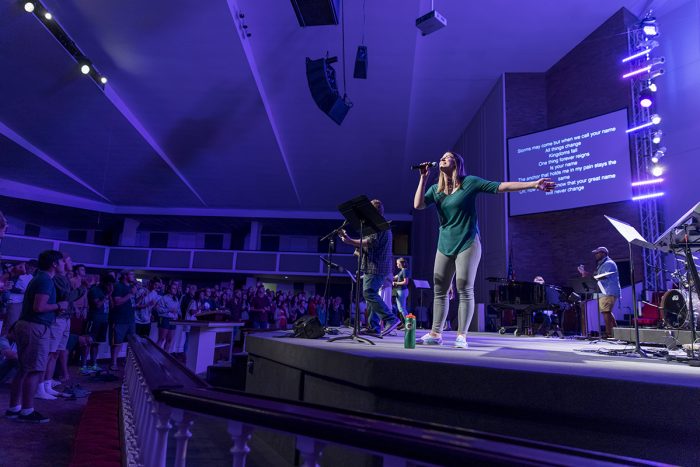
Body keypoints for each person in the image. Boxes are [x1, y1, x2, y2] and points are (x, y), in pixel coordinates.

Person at [413, 151, 554, 348]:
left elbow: (500, 186)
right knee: (440, 290)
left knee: (464, 287)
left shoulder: (469, 182)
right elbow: (418, 204)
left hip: (467, 242)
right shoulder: (436, 189)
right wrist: (423, 177)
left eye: (447, 157)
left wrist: (532, 184)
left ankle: (461, 335)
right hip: (444, 244)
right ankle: (436, 333)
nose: (442, 159)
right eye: (441, 157)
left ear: (457, 163)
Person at [7, 250, 66, 423]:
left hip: (27, 325)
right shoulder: (45, 280)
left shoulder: (40, 278)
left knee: (24, 368)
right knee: (34, 370)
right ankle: (27, 411)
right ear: (54, 263)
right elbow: (39, 307)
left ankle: (14, 408)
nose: (63, 265)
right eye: (62, 262)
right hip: (36, 327)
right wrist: (58, 305)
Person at [338, 199, 401, 337]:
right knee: (371, 295)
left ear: (371, 211)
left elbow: (370, 242)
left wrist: (349, 241)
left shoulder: (376, 224)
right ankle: (374, 326)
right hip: (379, 266)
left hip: (375, 267)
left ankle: (391, 319)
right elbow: (373, 246)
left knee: (369, 293)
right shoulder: (382, 224)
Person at [578, 246, 620, 338]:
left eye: (597, 253)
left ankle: (609, 333)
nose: (595, 255)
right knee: (606, 311)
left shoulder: (608, 263)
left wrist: (590, 277)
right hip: (603, 291)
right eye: (595, 253)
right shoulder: (601, 264)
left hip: (608, 290)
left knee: (606, 311)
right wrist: (585, 274)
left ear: (603, 253)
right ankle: (615, 332)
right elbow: (595, 277)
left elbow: (603, 276)